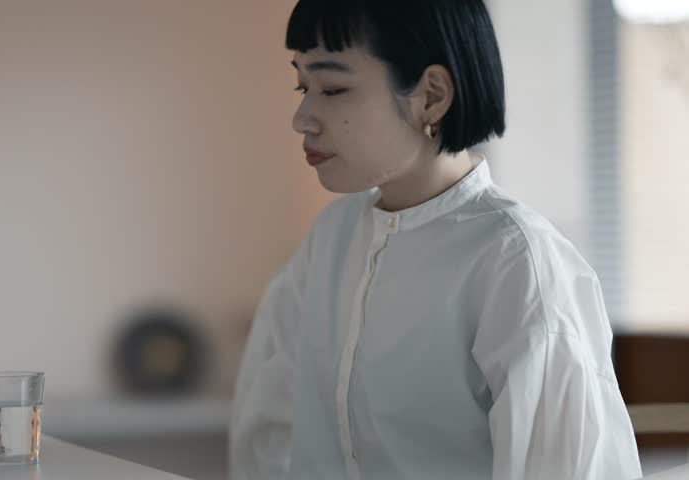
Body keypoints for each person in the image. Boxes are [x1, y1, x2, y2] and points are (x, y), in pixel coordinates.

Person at [229, 0, 643, 479]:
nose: (302, 117)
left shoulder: (516, 260)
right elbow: (268, 422)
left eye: (333, 88)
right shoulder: (331, 238)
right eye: (303, 86)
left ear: (431, 96)